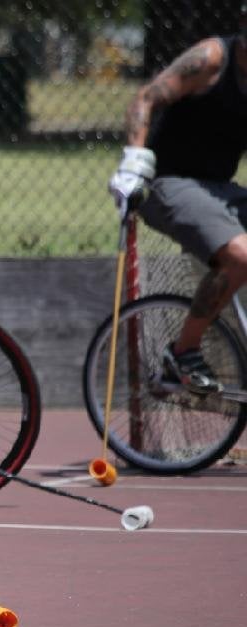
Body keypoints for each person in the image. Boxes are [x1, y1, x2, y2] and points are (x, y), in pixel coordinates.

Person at [109, 7, 247, 395]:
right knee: (240, 256)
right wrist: (134, 160)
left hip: (220, 186)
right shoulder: (211, 60)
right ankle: (182, 354)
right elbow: (146, 98)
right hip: (169, 183)